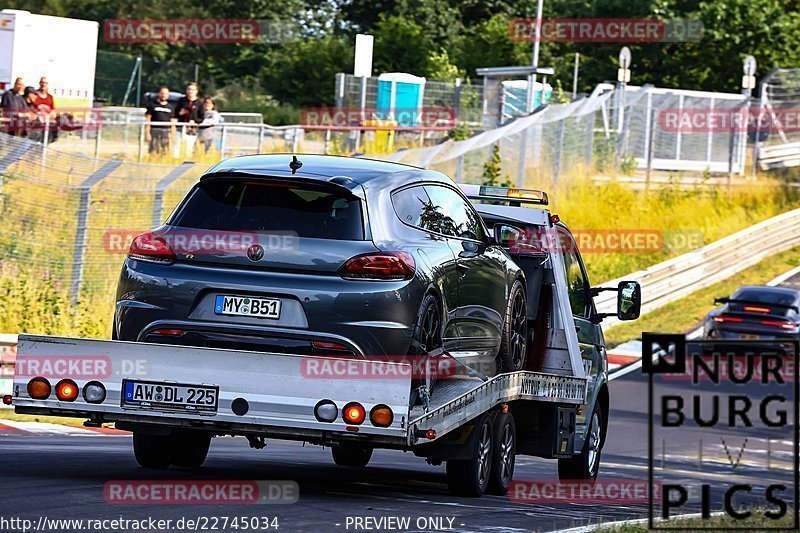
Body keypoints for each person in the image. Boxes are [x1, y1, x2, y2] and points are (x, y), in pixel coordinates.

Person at [145, 86, 176, 155]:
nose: (163, 95)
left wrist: (173, 133)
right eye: (162, 93)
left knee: (165, 150)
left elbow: (172, 121)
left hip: (166, 131)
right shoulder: (152, 105)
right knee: (153, 150)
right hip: (154, 130)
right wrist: (147, 132)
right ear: (158, 94)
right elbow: (148, 119)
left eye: (165, 94)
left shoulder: (170, 107)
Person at [176, 82, 204, 156]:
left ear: (196, 91)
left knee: (189, 148)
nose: (190, 91)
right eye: (189, 89)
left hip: (191, 130)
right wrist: (180, 113)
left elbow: (202, 118)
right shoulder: (182, 101)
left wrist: (195, 121)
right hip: (180, 127)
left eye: (193, 89)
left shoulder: (199, 103)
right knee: (177, 147)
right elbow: (175, 114)